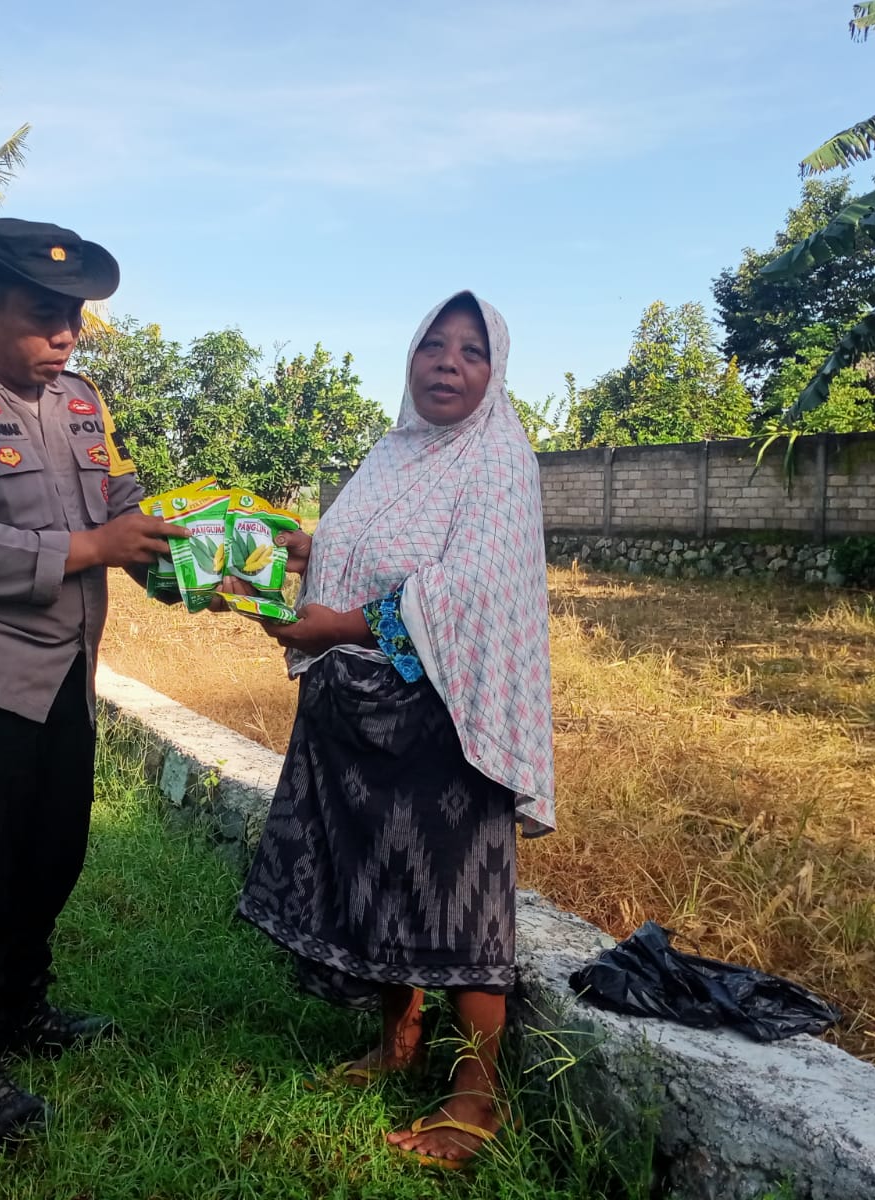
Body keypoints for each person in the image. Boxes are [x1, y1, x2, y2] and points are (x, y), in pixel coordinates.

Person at [0, 217, 188, 1147]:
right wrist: (97, 546)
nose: (65, 336)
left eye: (74, 320)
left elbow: (121, 502)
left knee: (50, 858)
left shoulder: (82, 402)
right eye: (45, 316)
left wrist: (187, 548)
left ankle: (24, 1010)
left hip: (66, 679)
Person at [236, 291, 555, 1169]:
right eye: (433, 346)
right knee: (375, 879)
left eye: (472, 351)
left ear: (495, 372)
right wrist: (298, 549)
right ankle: (397, 1041)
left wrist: (338, 626)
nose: (448, 363)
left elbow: (467, 590)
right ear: (410, 357)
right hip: (353, 721)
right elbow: (368, 549)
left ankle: (478, 1098)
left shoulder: (497, 460)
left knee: (458, 902)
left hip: (441, 728)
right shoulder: (392, 452)